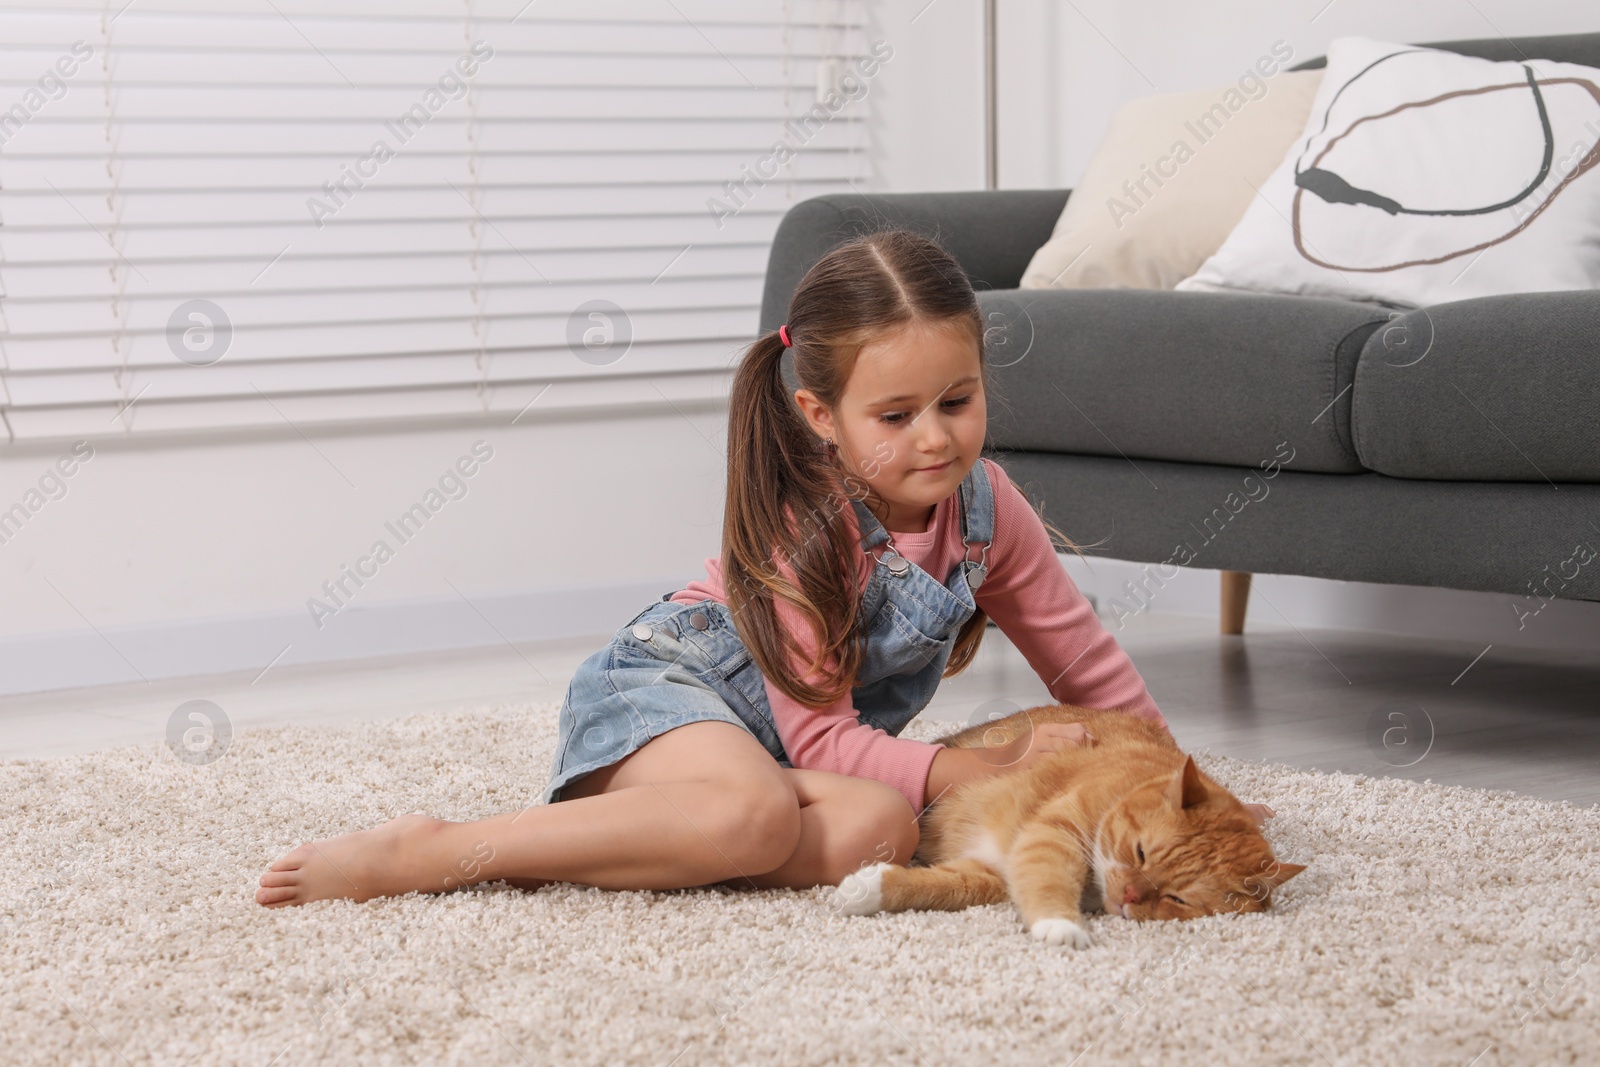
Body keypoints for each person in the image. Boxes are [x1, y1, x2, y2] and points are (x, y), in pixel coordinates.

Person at [256, 230, 1265, 908]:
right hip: (671, 691)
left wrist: (1183, 788)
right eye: (895, 414)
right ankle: (435, 849)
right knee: (756, 810)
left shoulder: (987, 508)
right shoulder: (812, 525)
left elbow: (1084, 659)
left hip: (791, 754)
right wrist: (991, 768)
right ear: (820, 415)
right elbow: (822, 729)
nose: (933, 438)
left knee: (876, 828)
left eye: (956, 401)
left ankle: (670, 836)